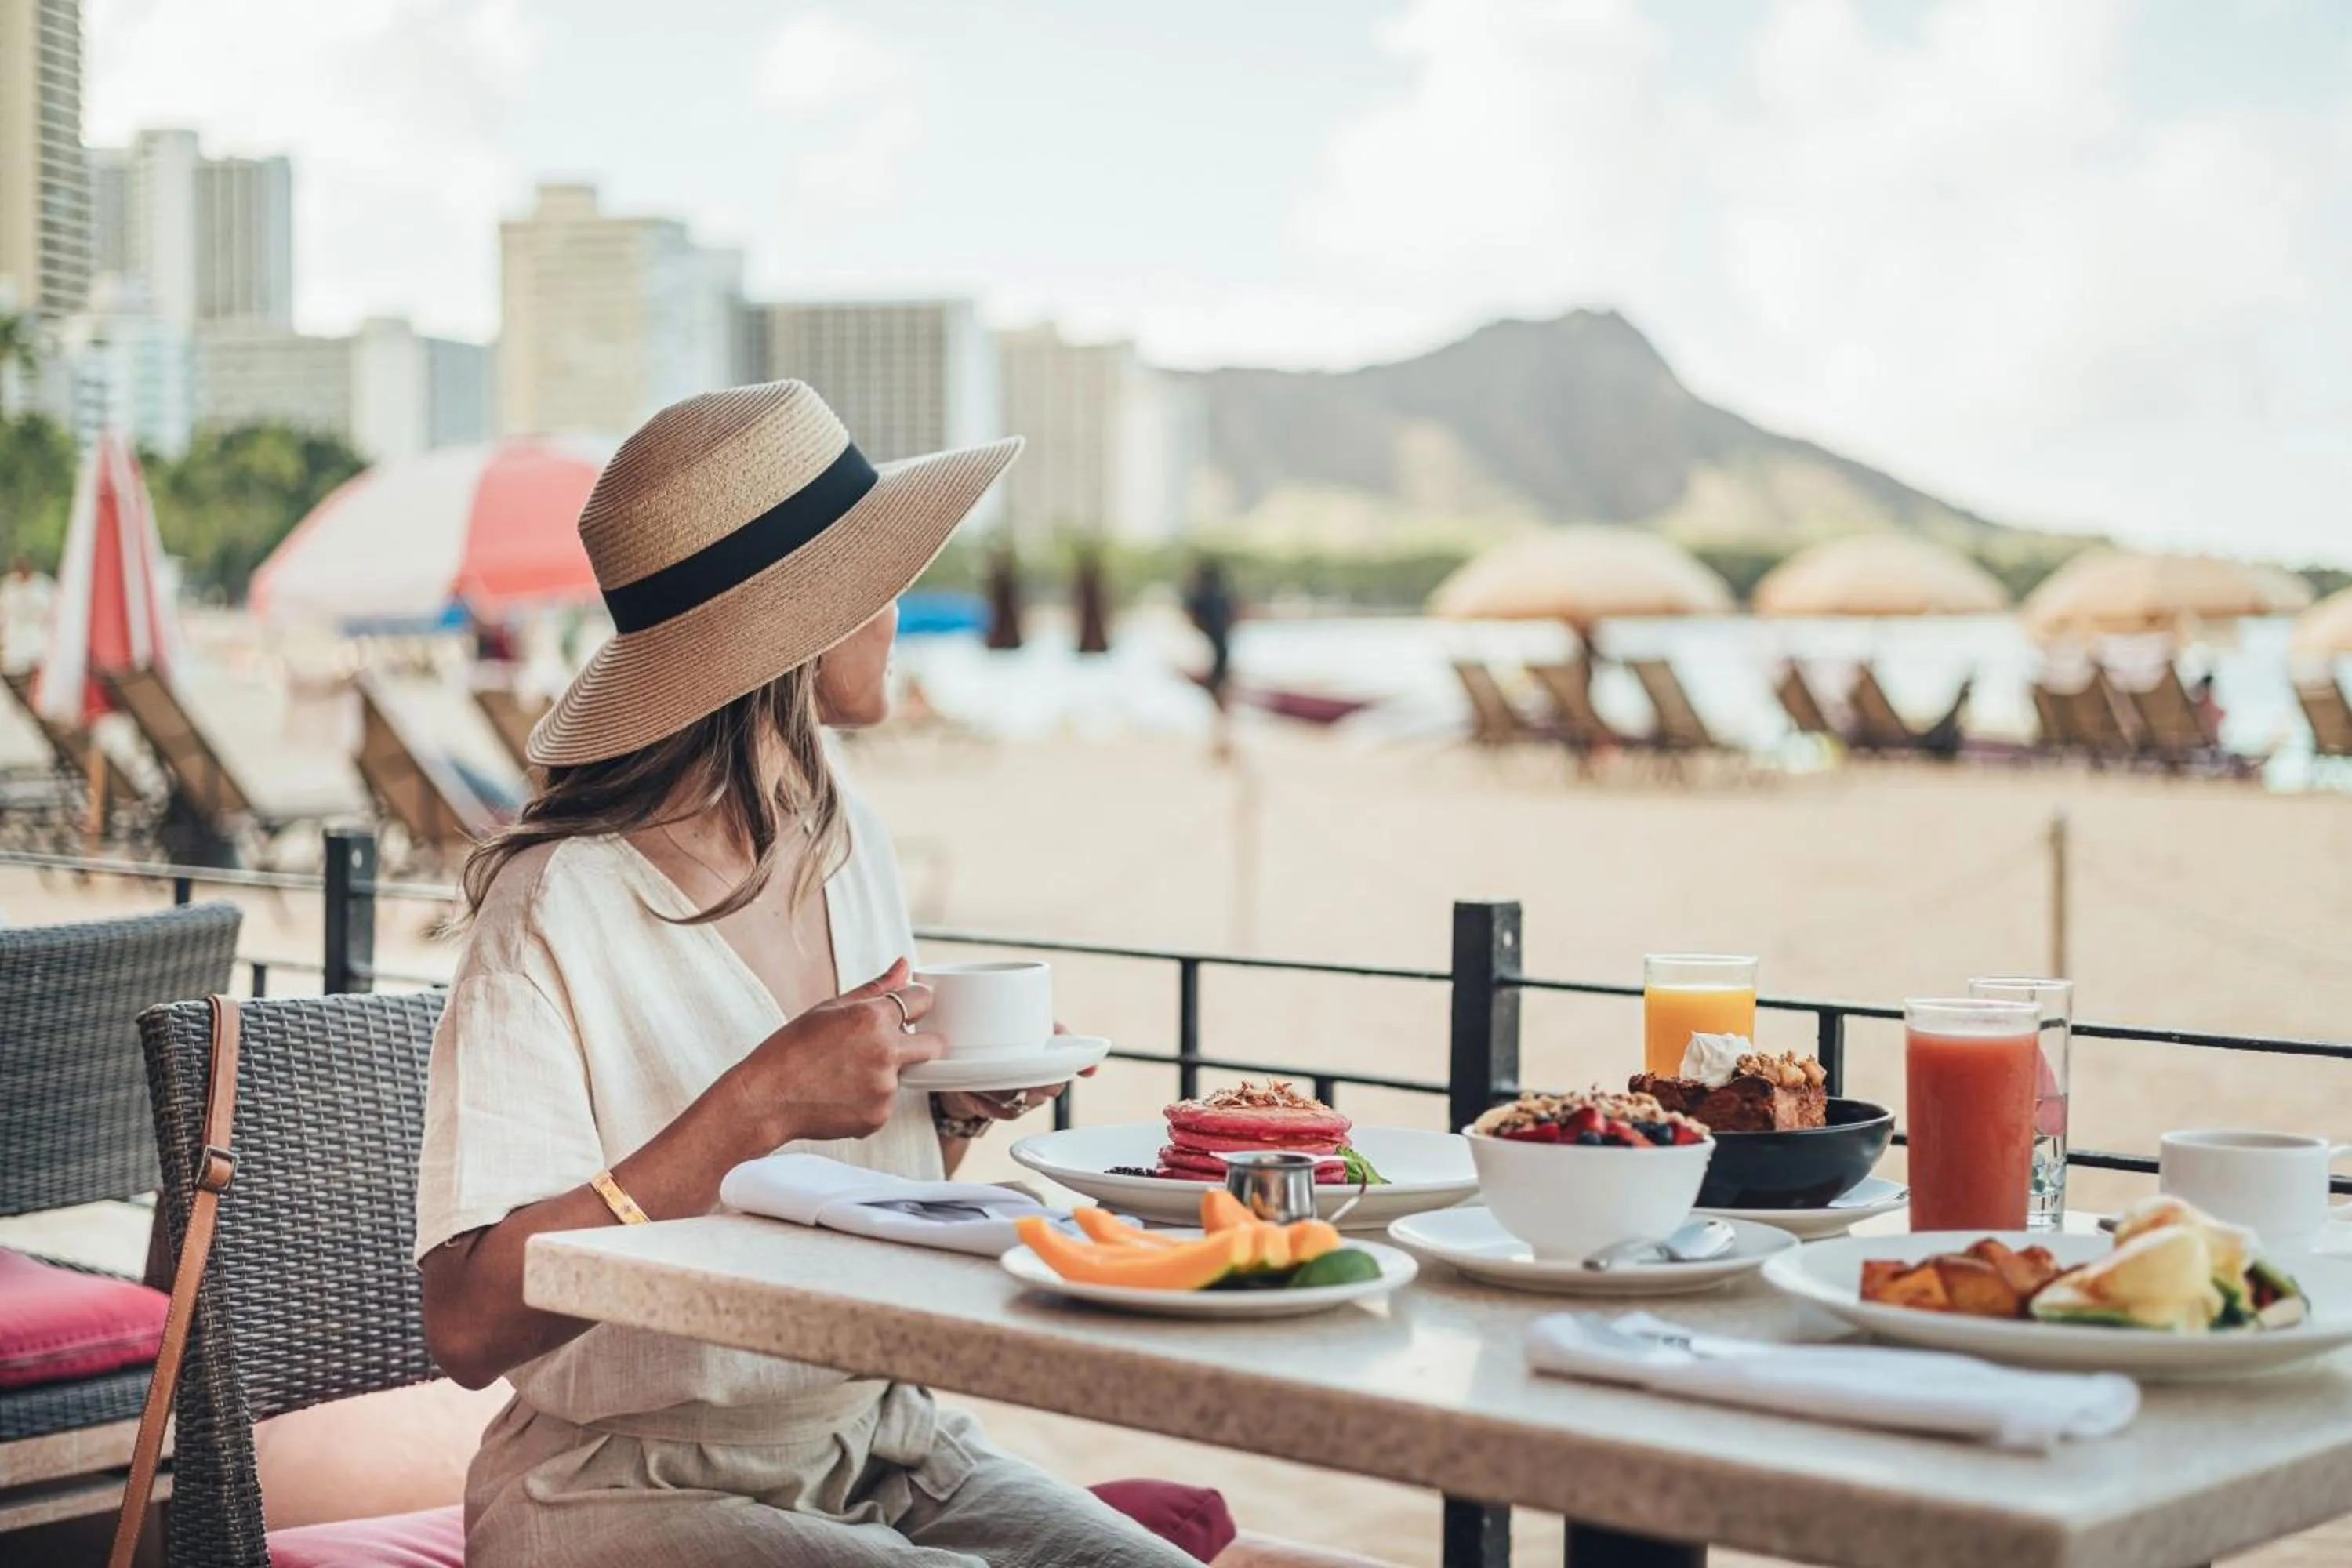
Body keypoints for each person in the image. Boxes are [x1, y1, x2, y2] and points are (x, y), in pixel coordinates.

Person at [415, 383, 1196, 1568]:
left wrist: (947, 1120)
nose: (900, 609)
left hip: (881, 1439)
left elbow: (834, 1198)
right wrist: (754, 1104)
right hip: (624, 1485)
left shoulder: (845, 840)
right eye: (877, 580)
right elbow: (468, 1321)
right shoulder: (559, 904)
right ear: (799, 625)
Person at [1182, 557, 1237, 760]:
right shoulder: (1223, 597)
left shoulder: (1201, 597)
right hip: (1222, 650)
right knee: (1220, 698)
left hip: (1210, 652)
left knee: (1216, 698)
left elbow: (1191, 618)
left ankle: (1220, 743)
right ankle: (1222, 742)